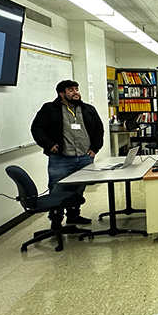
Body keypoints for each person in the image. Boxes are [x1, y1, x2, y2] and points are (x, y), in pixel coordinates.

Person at [30, 80, 104, 225]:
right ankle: (56, 220)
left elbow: (98, 129)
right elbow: (37, 129)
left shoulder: (88, 109)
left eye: (77, 89)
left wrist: (95, 149)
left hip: (84, 157)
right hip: (61, 158)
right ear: (61, 94)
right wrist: (49, 145)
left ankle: (74, 216)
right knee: (57, 189)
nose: (75, 92)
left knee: (78, 189)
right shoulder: (50, 109)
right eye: (71, 90)